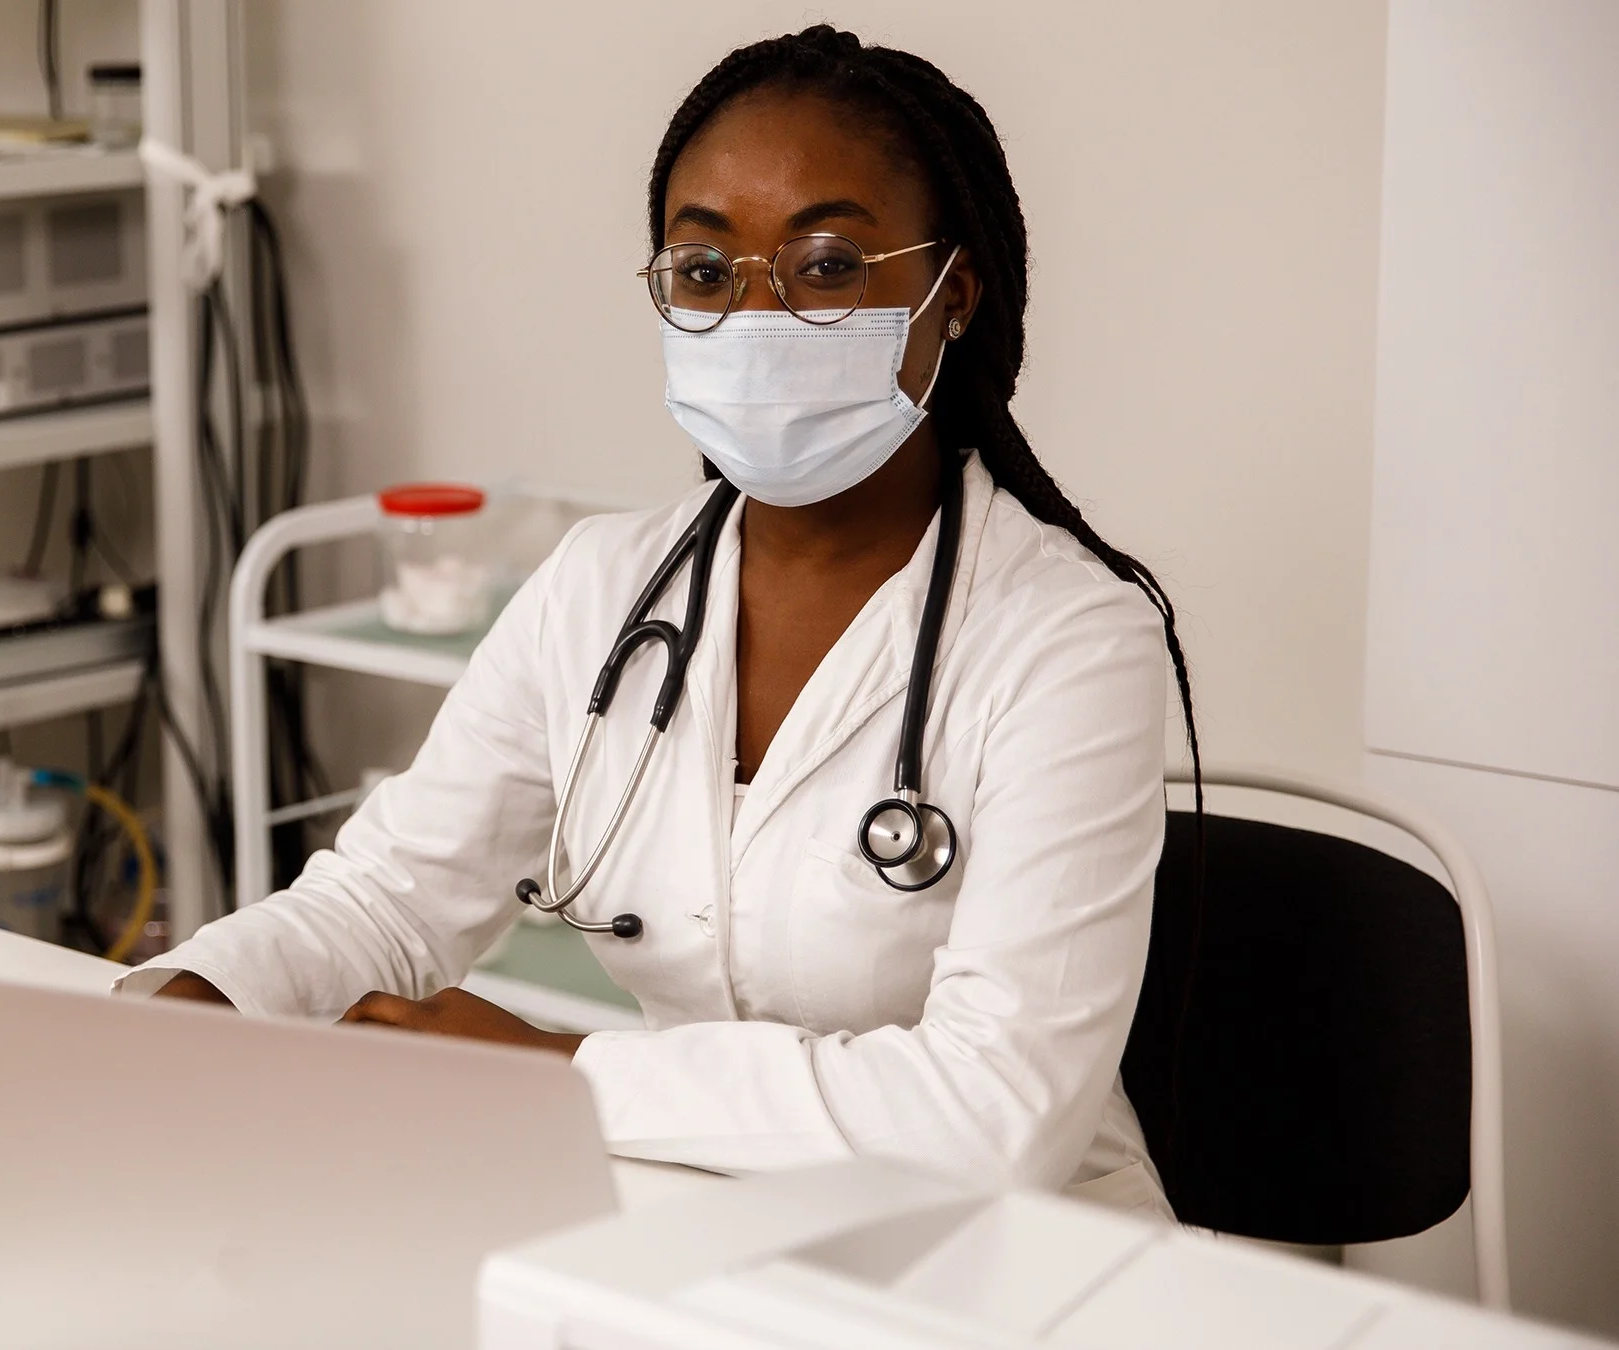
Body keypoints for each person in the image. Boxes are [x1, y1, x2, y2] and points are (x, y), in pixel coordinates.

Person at [123, 25, 1199, 1214]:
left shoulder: (1069, 641)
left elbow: (996, 1120)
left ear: (955, 294)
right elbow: (386, 901)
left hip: (1015, 1257)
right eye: (703, 272)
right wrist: (203, 995)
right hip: (687, 1222)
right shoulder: (600, 587)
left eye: (829, 263)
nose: (759, 316)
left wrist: (562, 1074)